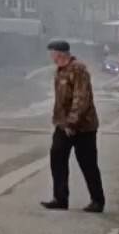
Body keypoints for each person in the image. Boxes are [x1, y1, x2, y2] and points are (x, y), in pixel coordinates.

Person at [41, 39, 105, 213]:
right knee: (57, 157)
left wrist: (72, 122)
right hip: (63, 125)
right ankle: (60, 198)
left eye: (52, 53)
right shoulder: (60, 71)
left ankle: (97, 200)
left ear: (60, 53)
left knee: (87, 163)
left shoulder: (78, 69)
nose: (51, 56)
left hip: (83, 127)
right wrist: (62, 122)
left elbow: (81, 98)